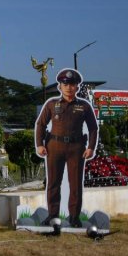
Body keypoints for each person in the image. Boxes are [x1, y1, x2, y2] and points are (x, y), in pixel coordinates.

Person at [34, 68, 98, 228]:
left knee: (75, 183)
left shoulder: (84, 106)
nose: (69, 87)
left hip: (76, 148)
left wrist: (91, 147)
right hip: (54, 147)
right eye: (65, 84)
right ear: (59, 87)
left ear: (77, 87)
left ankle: (74, 217)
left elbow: (93, 128)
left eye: (73, 84)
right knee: (53, 182)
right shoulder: (51, 104)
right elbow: (40, 124)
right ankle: (52, 216)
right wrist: (40, 144)